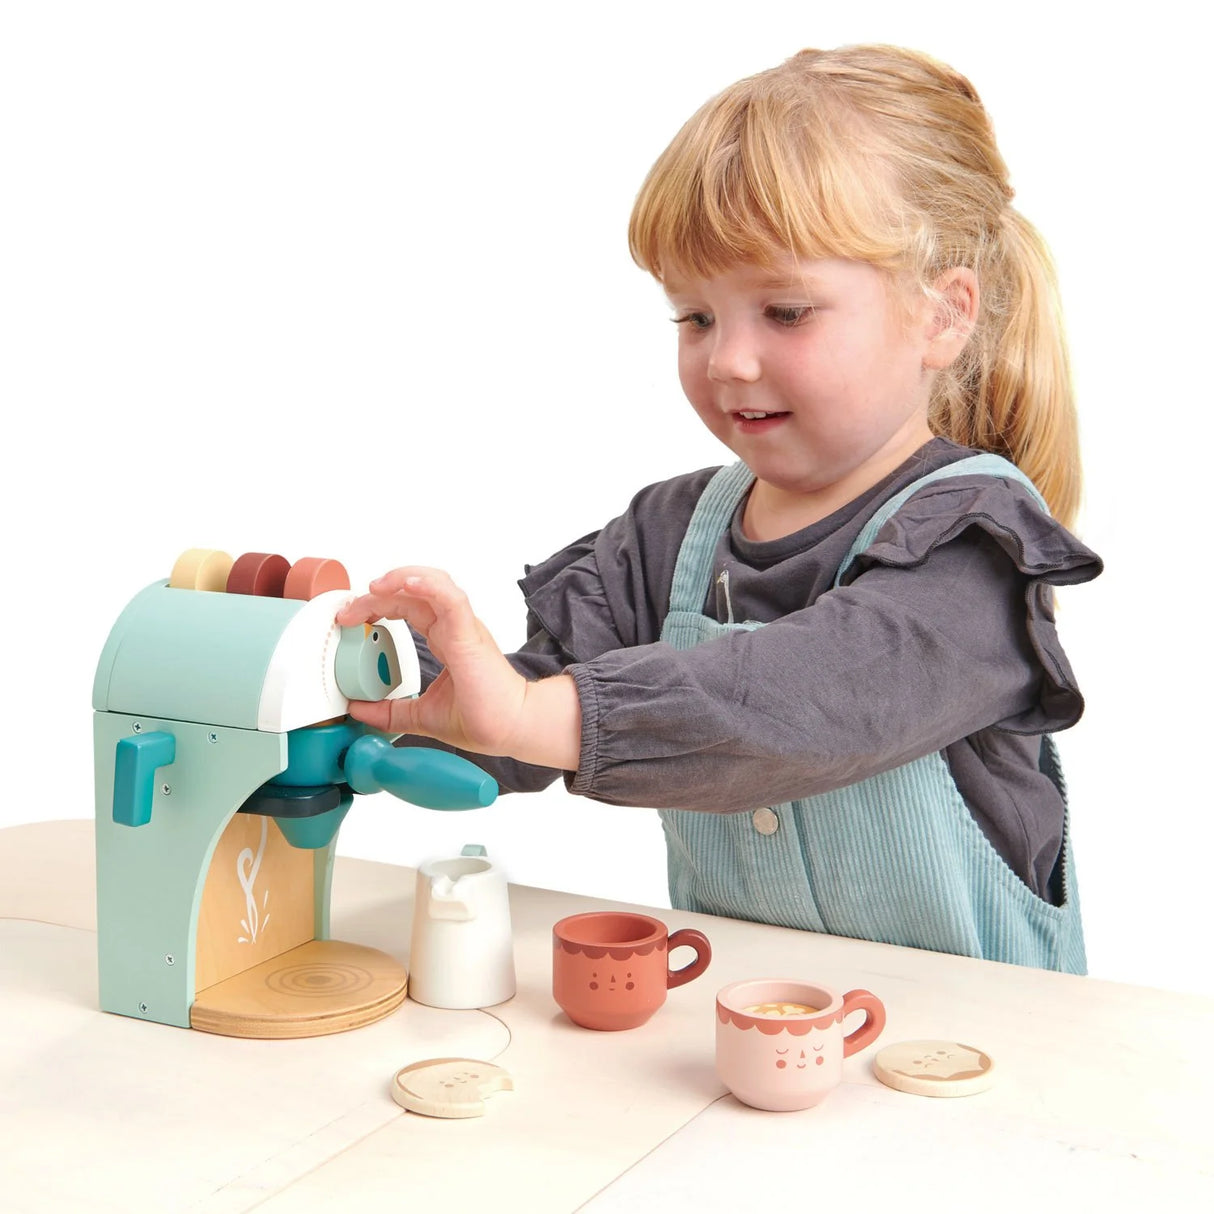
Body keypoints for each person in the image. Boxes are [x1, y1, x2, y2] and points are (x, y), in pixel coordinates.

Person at [336, 44, 1102, 973]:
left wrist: (521, 715)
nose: (728, 360)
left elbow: (803, 702)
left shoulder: (976, 549)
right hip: (745, 1025)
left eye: (785, 312)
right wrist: (361, 680)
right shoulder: (670, 535)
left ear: (943, 317)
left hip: (970, 1062)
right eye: (695, 317)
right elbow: (516, 707)